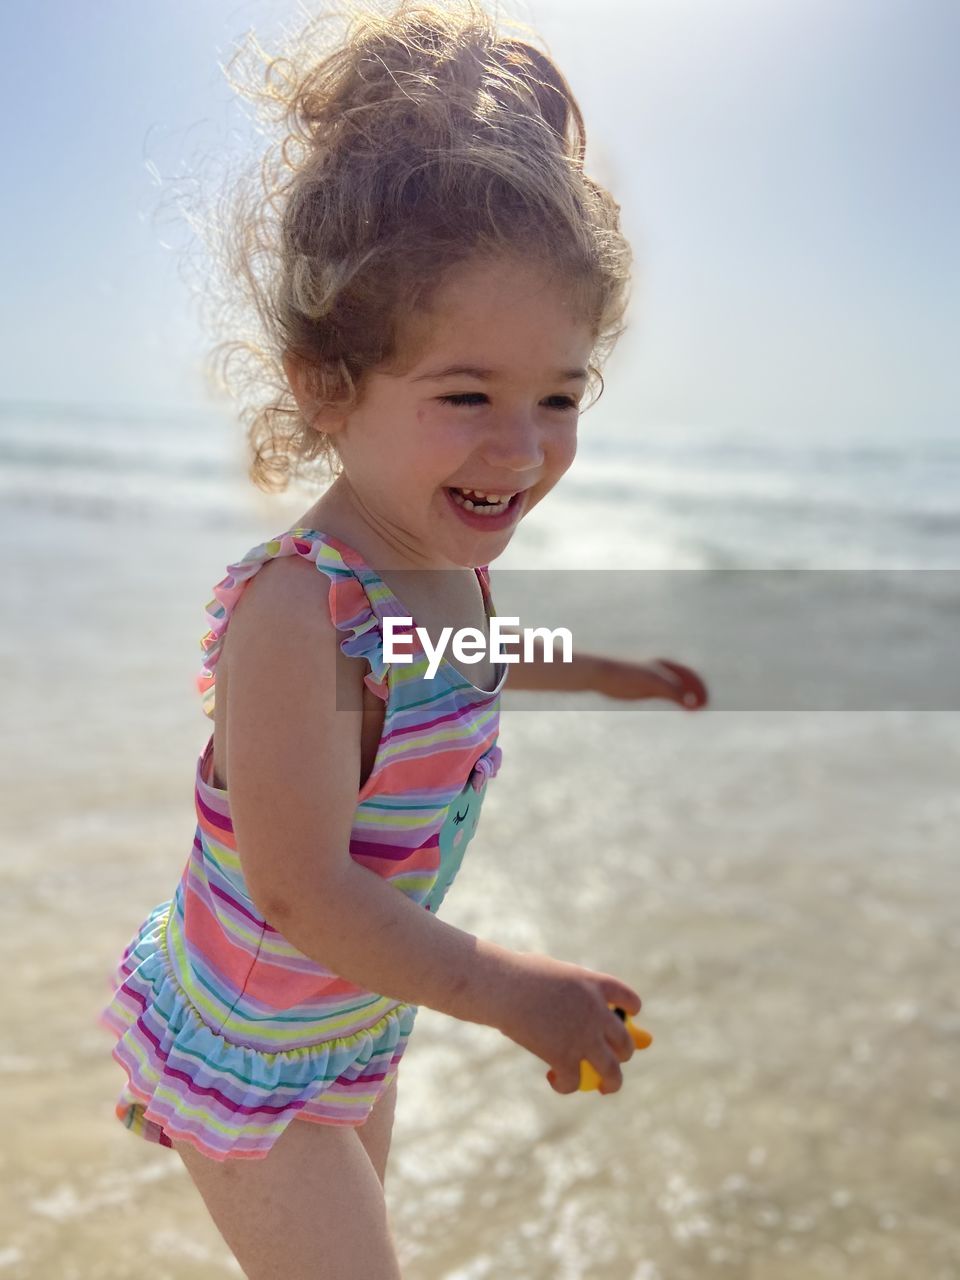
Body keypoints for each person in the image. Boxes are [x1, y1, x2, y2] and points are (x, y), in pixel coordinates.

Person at [99, 2, 708, 1275]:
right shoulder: (301, 614)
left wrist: (609, 672)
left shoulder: (439, 567)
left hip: (346, 1022)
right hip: (260, 1043)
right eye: (468, 394)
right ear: (326, 382)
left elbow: (481, 655)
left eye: (558, 395)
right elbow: (301, 888)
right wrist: (511, 989)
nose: (523, 445)